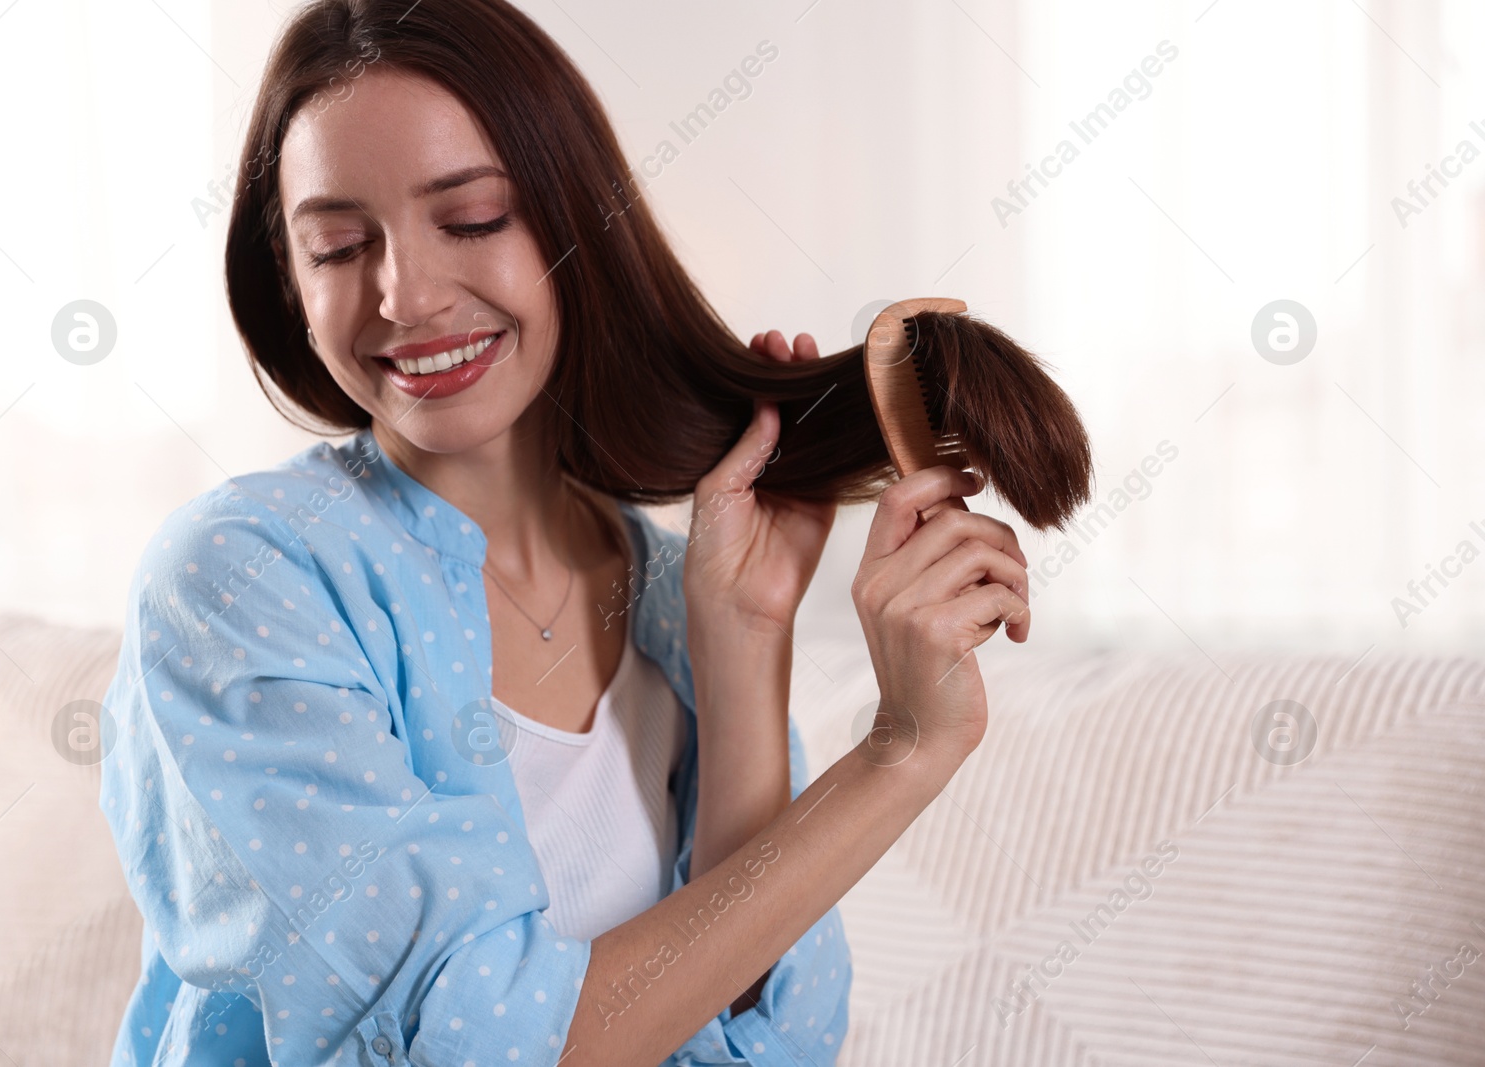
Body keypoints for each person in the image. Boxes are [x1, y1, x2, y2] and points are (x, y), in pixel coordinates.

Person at [97, 2, 1043, 1064]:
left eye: (471, 220)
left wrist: (741, 655)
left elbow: (768, 1037)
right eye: (339, 245)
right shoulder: (242, 579)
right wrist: (902, 751)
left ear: (575, 226)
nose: (404, 295)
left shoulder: (679, 600)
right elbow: (480, 1040)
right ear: (289, 278)